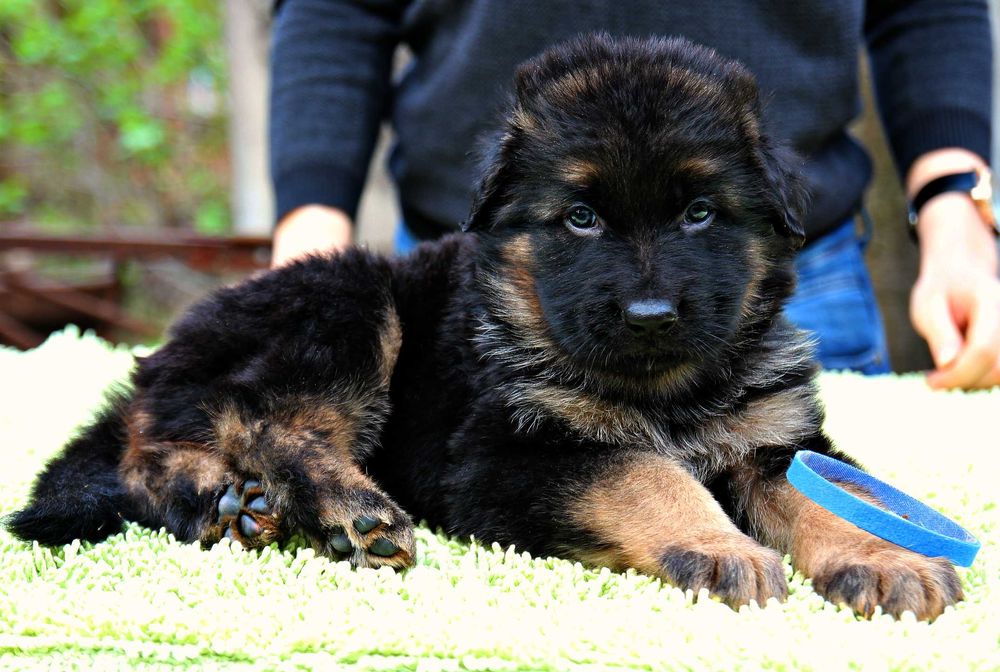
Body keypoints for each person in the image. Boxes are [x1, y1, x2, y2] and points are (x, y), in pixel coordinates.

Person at [267, 0, 1000, 390]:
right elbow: (337, 7)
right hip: (485, 274)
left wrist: (955, 207)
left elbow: (928, 5)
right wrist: (311, 236)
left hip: (778, 273)